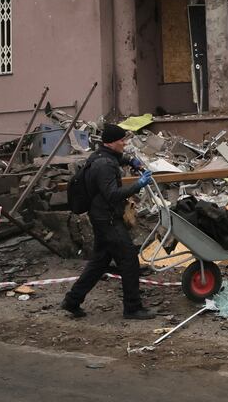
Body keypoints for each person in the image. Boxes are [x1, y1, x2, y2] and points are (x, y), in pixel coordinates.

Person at [61, 123, 155, 320]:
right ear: (112, 142)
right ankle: (132, 308)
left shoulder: (102, 155)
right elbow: (112, 194)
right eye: (122, 140)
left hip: (102, 217)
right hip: (108, 219)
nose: (125, 143)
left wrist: (132, 162)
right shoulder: (104, 165)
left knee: (100, 261)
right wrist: (137, 185)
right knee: (129, 260)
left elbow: (119, 158)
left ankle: (72, 301)